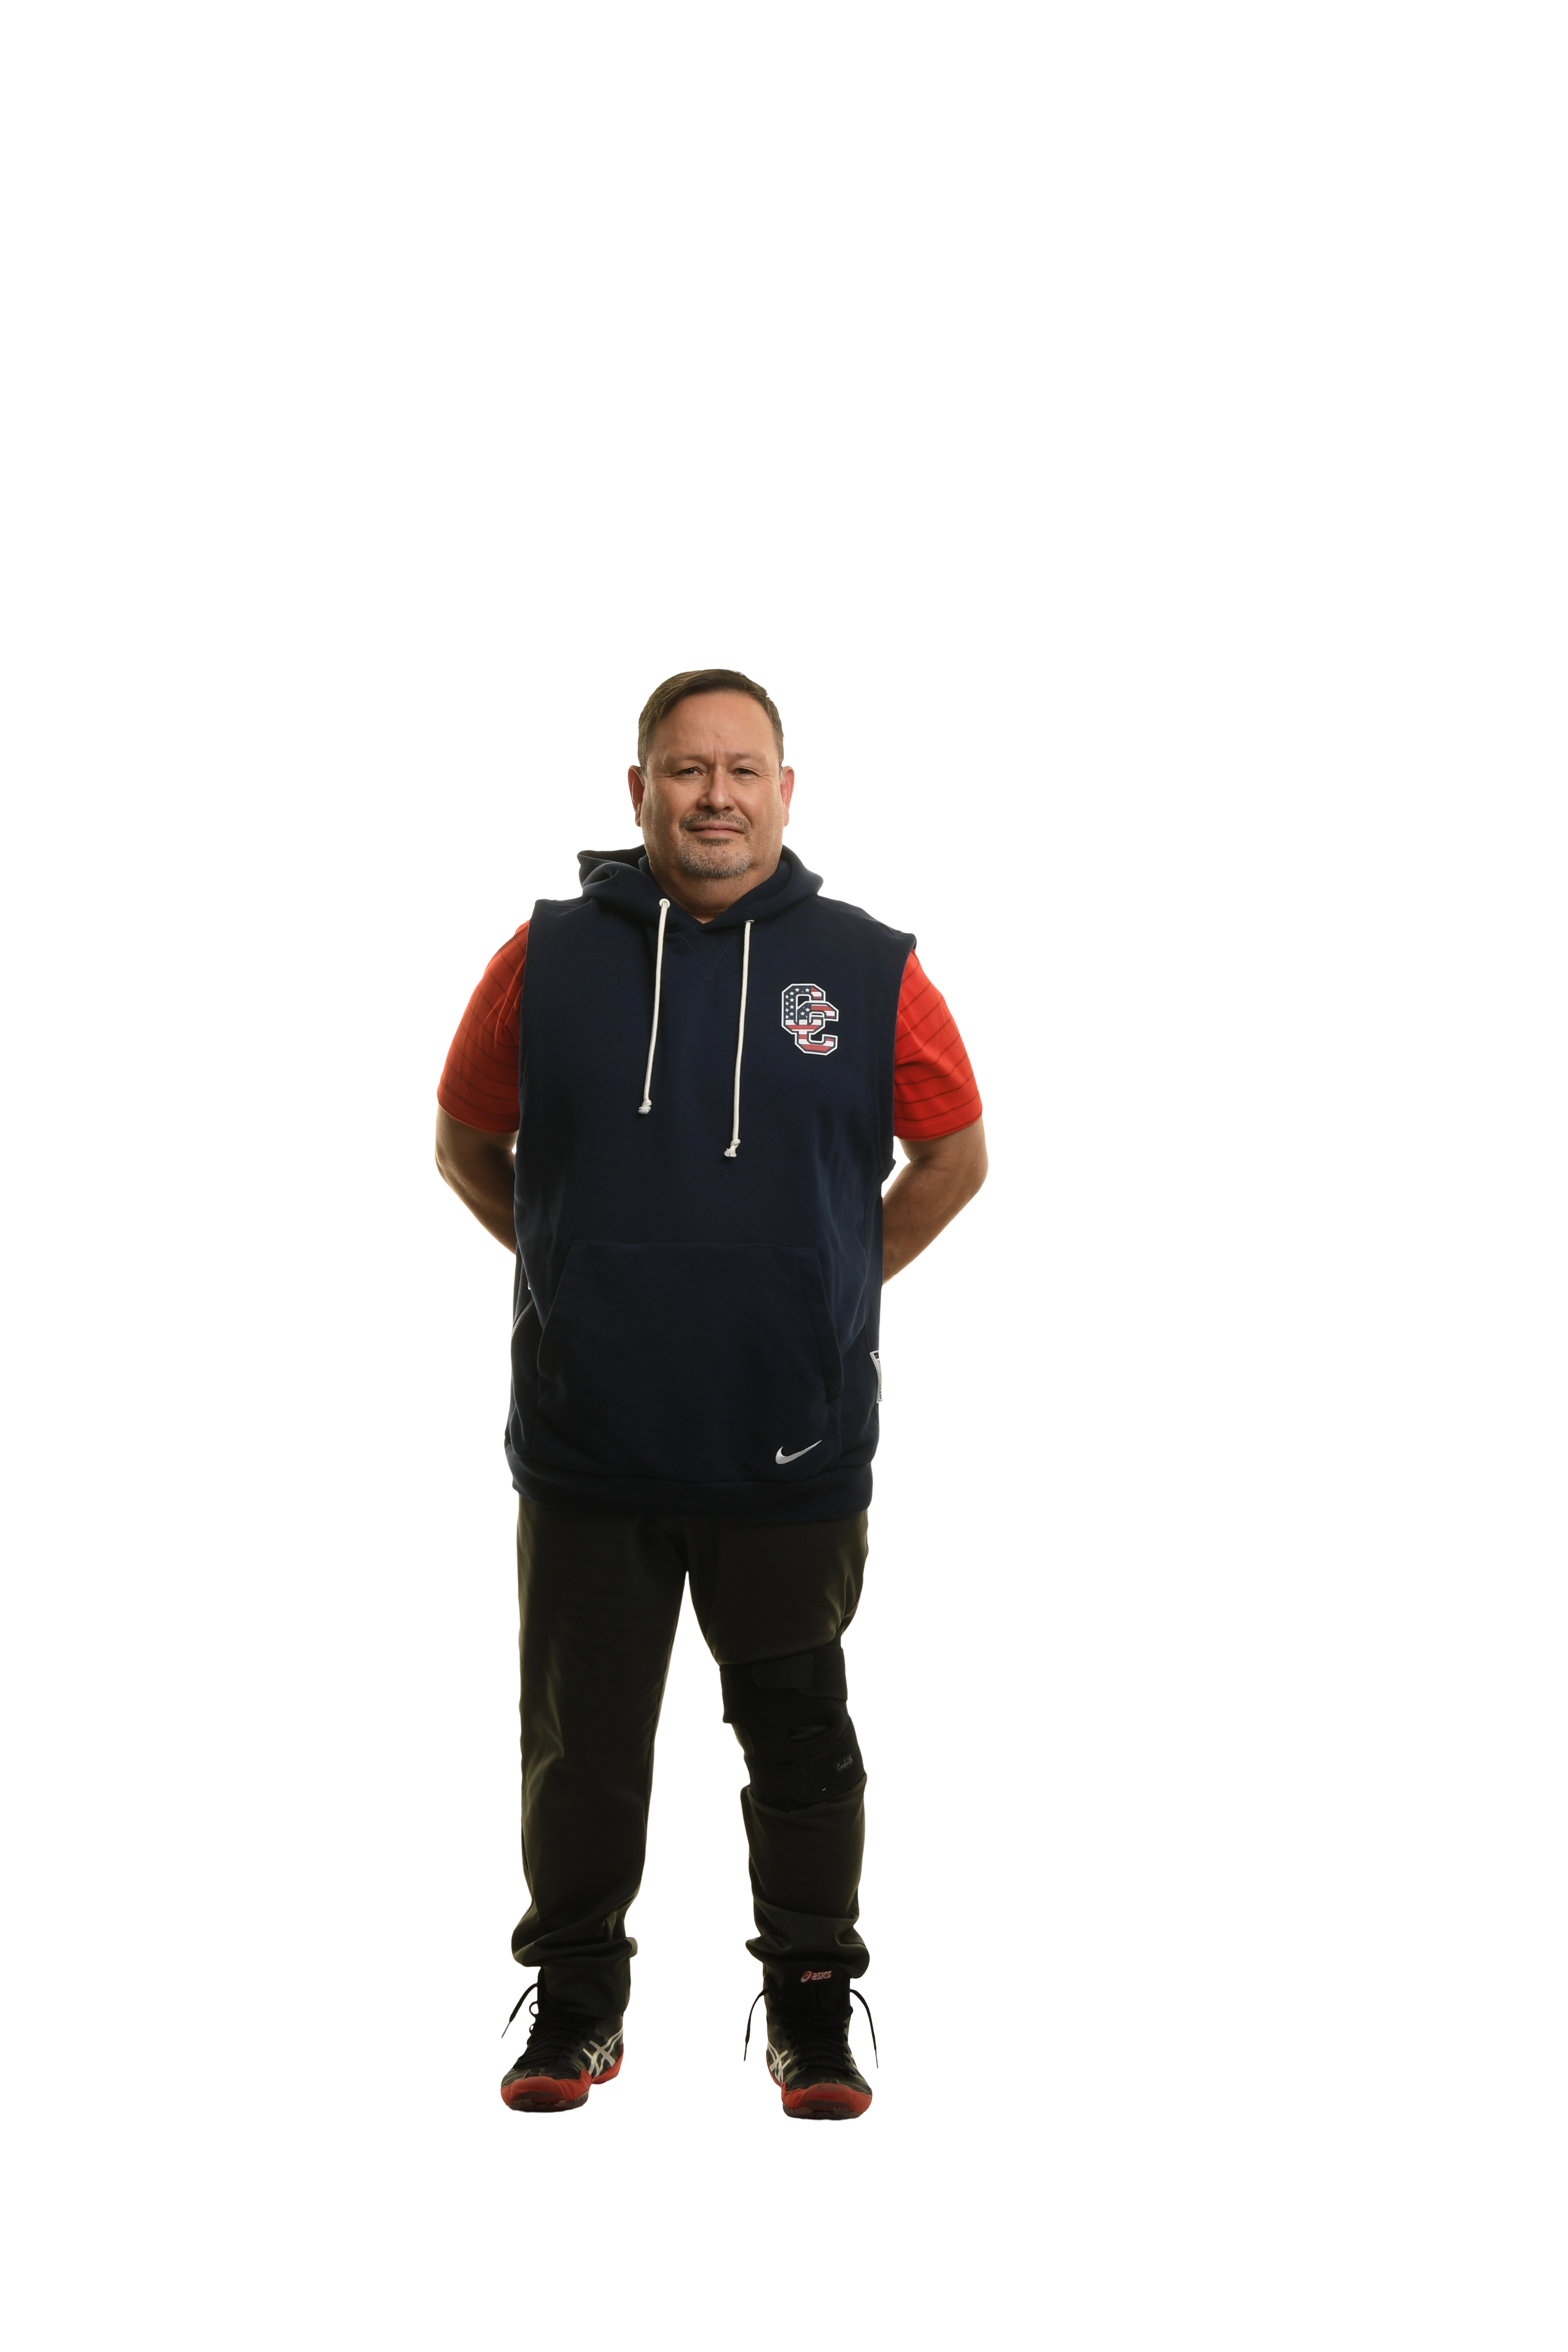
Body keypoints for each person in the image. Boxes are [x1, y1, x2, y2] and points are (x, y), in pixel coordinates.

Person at [435, 667, 988, 2120]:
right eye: (687, 770)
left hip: (790, 1446)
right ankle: (574, 2007)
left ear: (787, 792)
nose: (717, 796)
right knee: (580, 1755)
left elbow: (954, 1157)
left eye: (745, 770)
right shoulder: (543, 960)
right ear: (640, 791)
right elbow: (463, 1140)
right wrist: (566, 1274)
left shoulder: (869, 969)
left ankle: (811, 2009)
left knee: (802, 1746)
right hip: (590, 1443)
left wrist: (833, 1295)